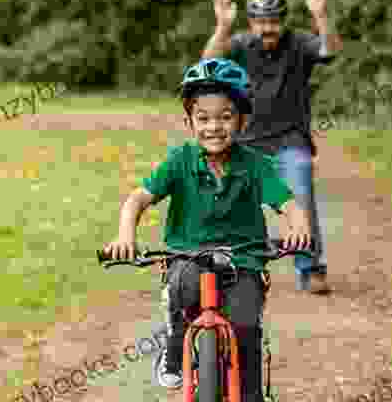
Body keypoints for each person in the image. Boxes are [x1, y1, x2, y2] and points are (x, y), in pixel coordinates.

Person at [103, 58, 313, 400]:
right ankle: (174, 343)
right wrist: (126, 234)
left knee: (246, 324)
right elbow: (138, 199)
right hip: (187, 257)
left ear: (243, 120)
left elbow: (288, 203)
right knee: (180, 289)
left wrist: (299, 226)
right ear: (189, 122)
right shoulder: (180, 160)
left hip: (243, 260)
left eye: (225, 117)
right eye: (203, 118)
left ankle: (250, 393)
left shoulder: (255, 165)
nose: (213, 126)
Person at [201, 0, 343, 293]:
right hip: (245, 143)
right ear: (251, 22)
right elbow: (208, 63)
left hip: (289, 141)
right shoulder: (239, 44)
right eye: (261, 21)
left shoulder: (299, 43)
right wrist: (222, 26)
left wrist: (321, 15)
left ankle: (310, 268)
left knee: (301, 193)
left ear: (283, 21)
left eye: (274, 21)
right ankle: (232, 268)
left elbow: (329, 50)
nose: (267, 28)